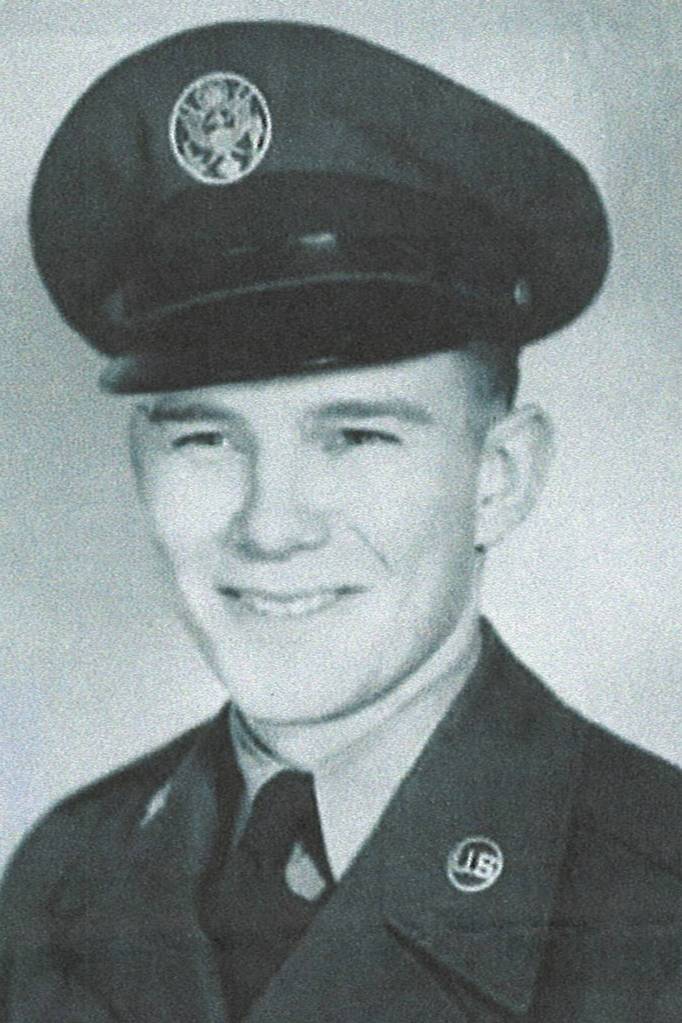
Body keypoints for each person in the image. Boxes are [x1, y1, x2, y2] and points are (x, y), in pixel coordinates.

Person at [0, 20, 679, 1023]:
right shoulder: (64, 876)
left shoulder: (657, 909)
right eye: (206, 439)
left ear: (499, 478)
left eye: (356, 436)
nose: (270, 527)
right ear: (140, 465)